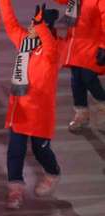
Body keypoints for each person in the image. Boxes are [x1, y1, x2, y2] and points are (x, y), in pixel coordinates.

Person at [0, 1, 63, 209]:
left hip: (40, 115)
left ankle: (52, 173)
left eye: (35, 25)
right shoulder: (24, 41)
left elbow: (50, 46)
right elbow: (9, 22)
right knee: (15, 151)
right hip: (20, 111)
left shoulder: (53, 51)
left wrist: (41, 26)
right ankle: (15, 190)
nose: (30, 28)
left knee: (40, 150)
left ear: (46, 28)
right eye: (32, 24)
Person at [52, 0, 105, 132]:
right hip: (75, 45)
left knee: (88, 78)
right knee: (76, 81)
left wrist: (104, 46)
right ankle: (81, 114)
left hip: (92, 44)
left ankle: (103, 108)